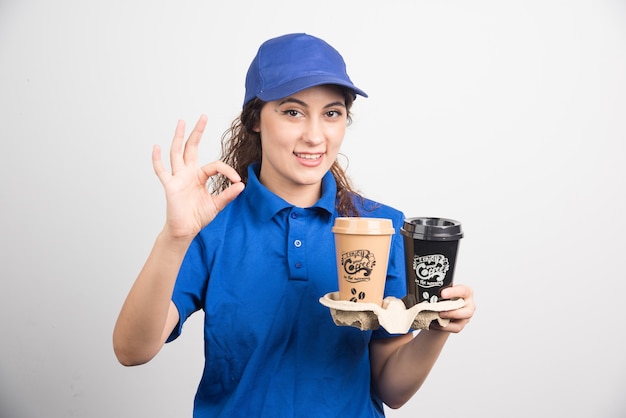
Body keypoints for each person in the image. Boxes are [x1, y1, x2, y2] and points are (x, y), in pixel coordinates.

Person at [113, 33, 476, 417]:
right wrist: (174, 237)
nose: (315, 136)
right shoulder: (212, 227)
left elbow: (392, 388)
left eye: (332, 113)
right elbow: (132, 350)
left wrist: (438, 328)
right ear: (255, 119)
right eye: (293, 112)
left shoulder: (381, 226)